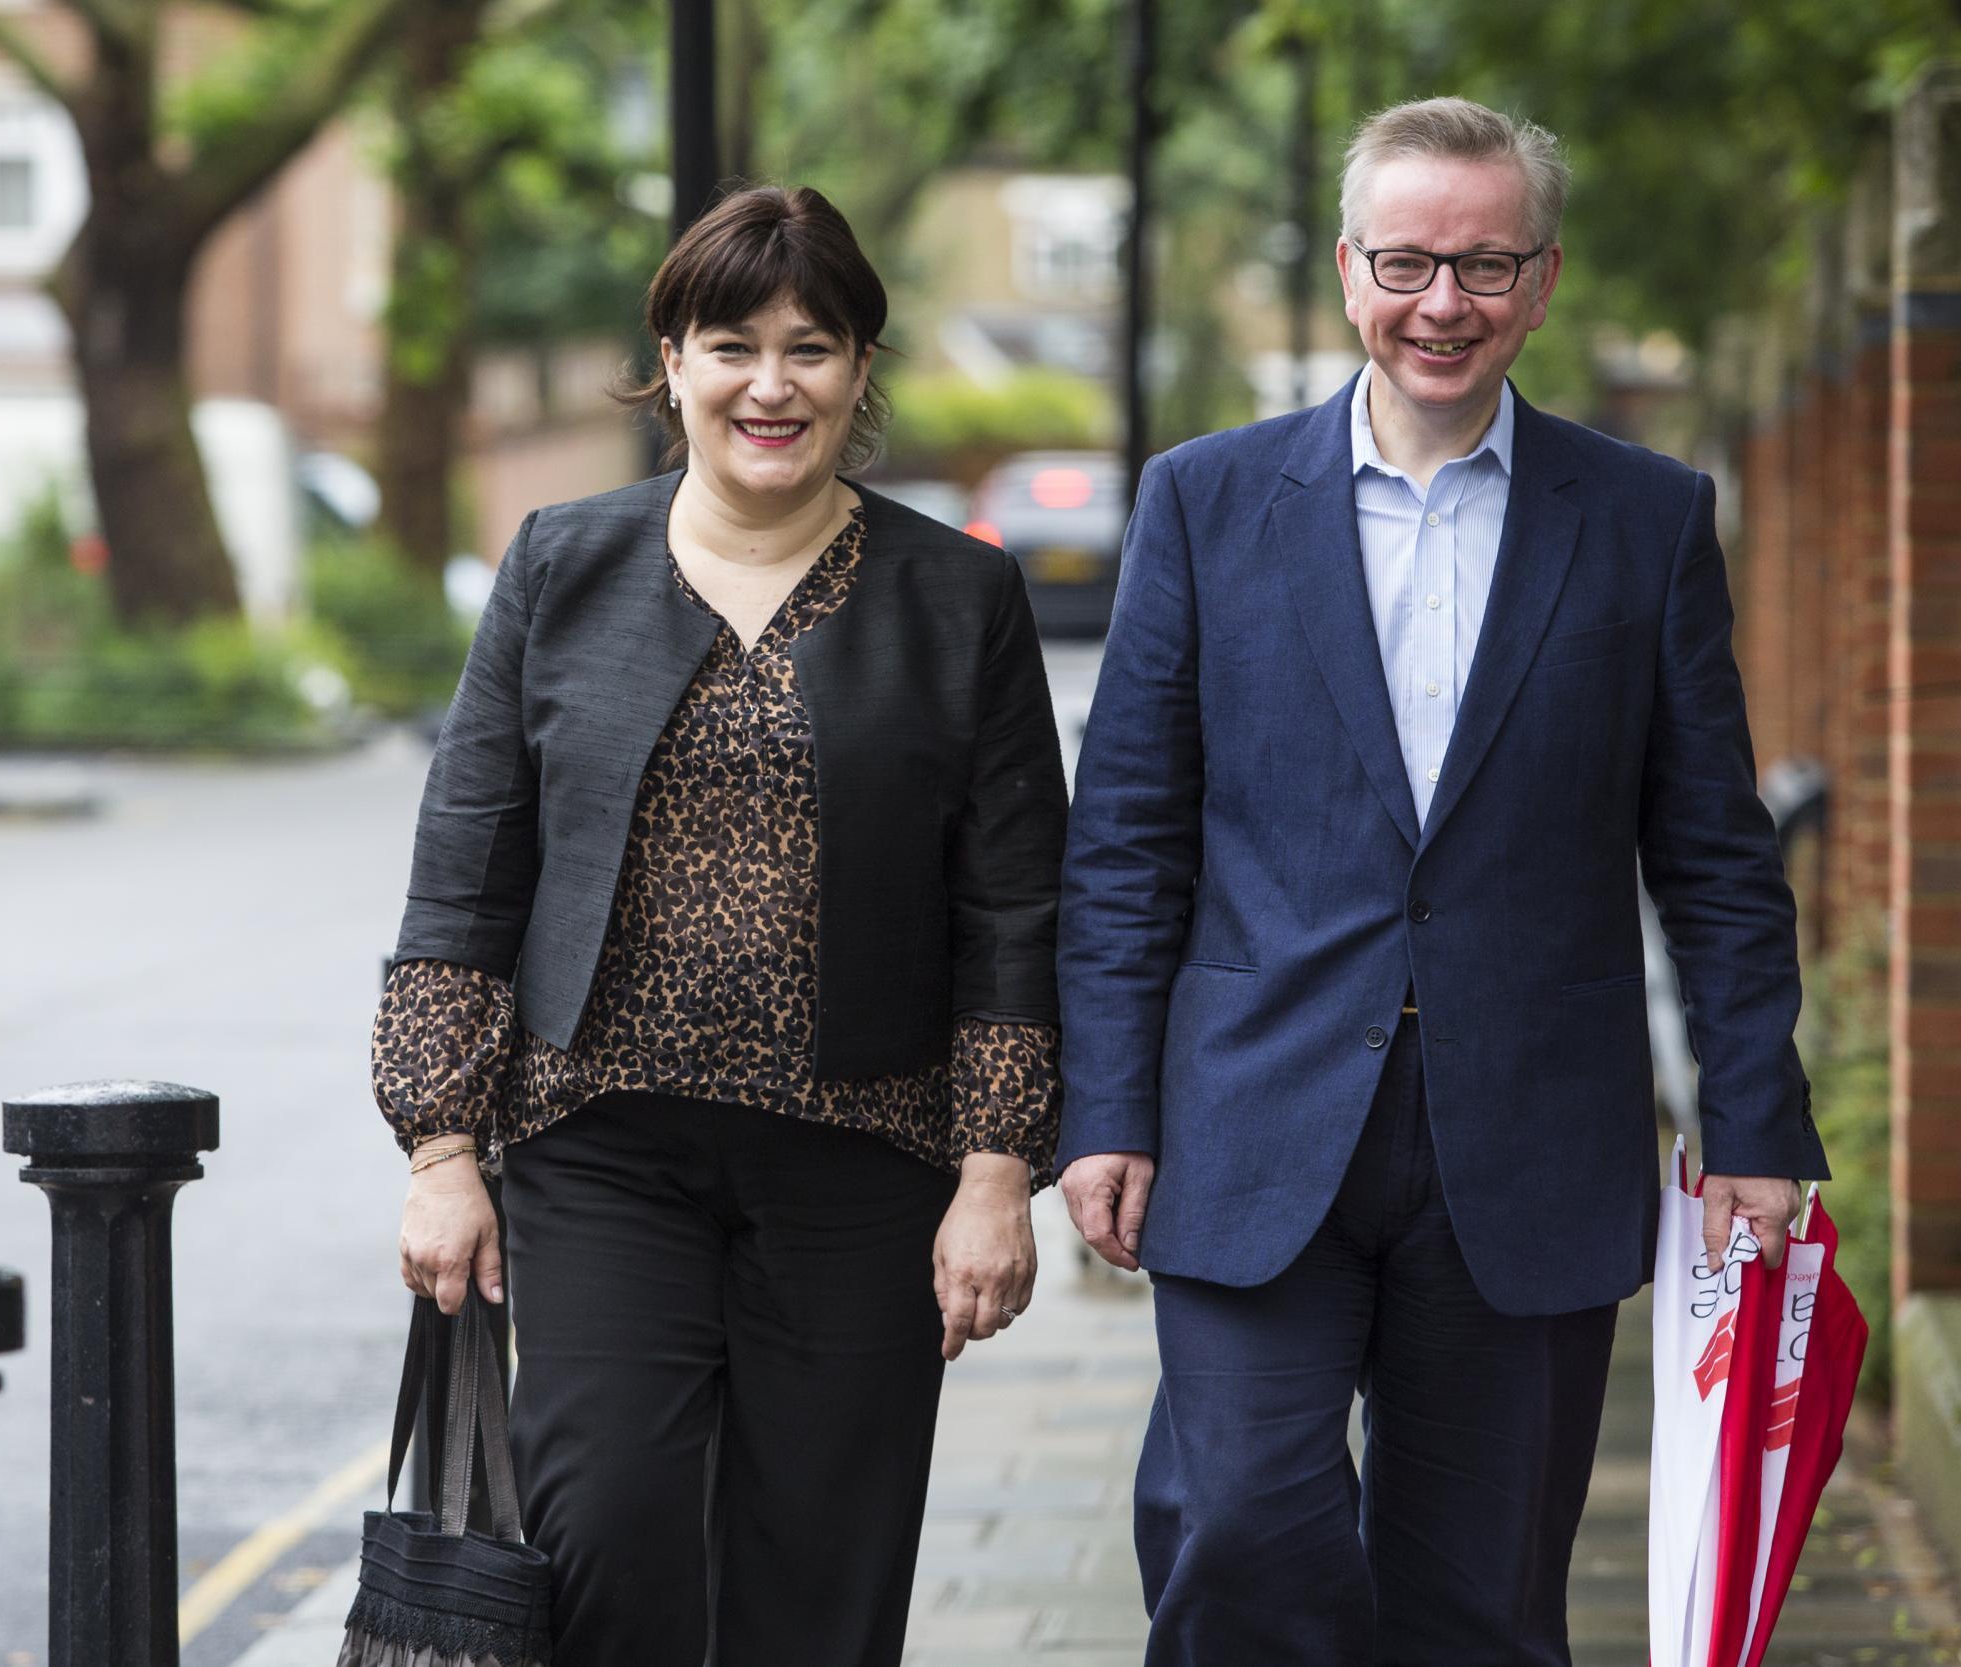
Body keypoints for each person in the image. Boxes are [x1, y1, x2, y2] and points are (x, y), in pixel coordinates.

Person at [1055, 97, 1831, 1665]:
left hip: (1531, 1134)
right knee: (1238, 1527)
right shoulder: (1204, 503)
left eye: (1485, 266)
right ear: (1349, 271)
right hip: (1253, 1115)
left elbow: (1709, 850)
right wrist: (1107, 1111)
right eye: (1407, 262)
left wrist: (1753, 1114)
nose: (1442, 306)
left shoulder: (1643, 518)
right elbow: (1126, 839)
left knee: (1478, 1599)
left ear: (1542, 284)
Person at [371, 184, 1067, 1666]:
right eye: (732, 344)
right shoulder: (562, 565)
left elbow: (1012, 908)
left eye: (811, 348)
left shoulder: (963, 597)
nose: (771, 385)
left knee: (823, 1572)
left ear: (861, 370)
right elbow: (464, 882)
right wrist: (441, 1152)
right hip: (603, 1147)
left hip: (866, 1164)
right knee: (604, 1535)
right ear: (671, 359)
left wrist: (996, 1169)